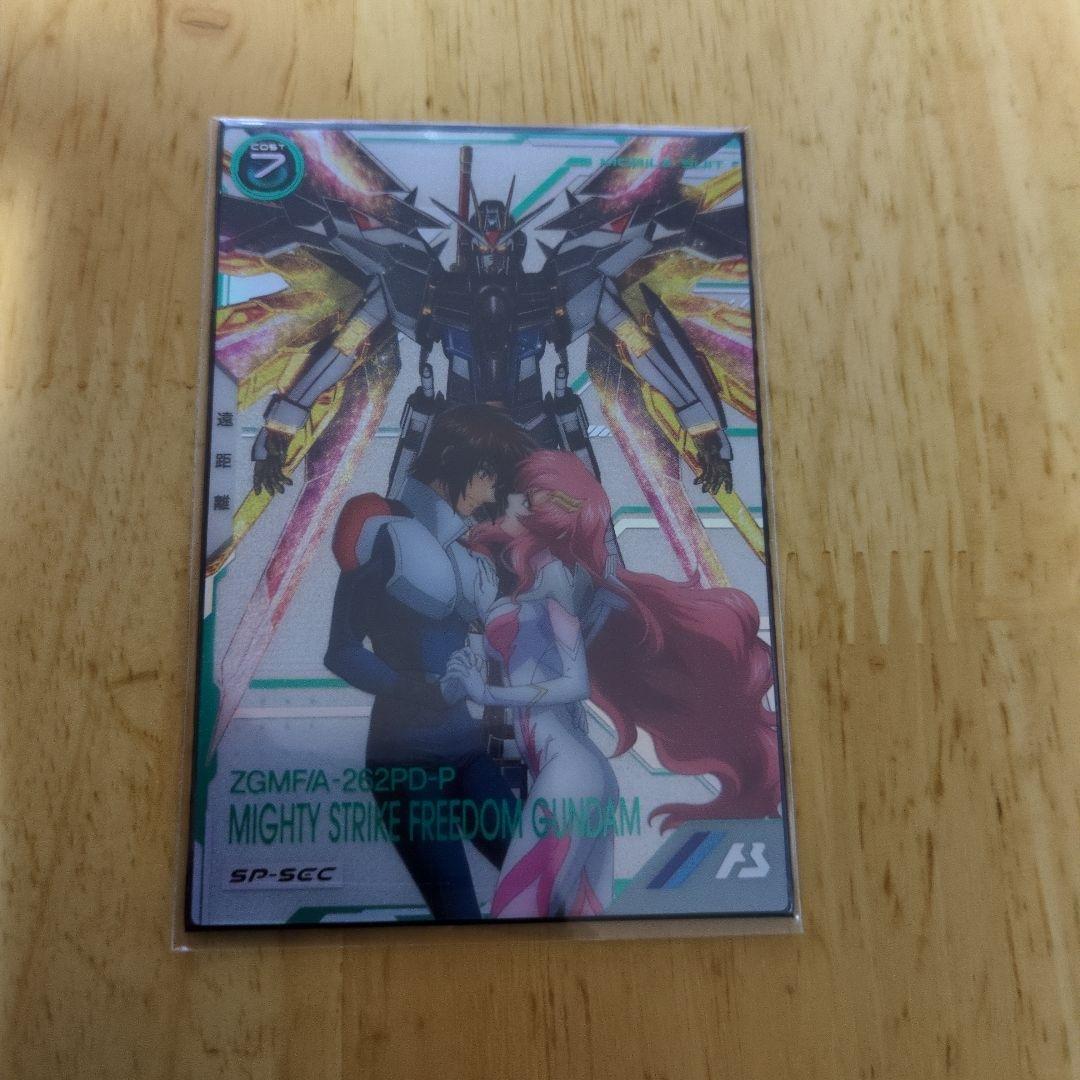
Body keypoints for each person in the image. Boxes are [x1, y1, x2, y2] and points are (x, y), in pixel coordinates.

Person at [444, 450, 781, 919]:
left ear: (548, 509)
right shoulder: (538, 578)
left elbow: (574, 683)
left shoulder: (557, 577)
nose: (509, 504)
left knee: (515, 915)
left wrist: (487, 693)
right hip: (575, 774)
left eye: (521, 497)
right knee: (579, 922)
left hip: (570, 776)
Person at [323, 404, 535, 920]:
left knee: (537, 887)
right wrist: (425, 690)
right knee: (457, 916)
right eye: (487, 474)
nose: (491, 490)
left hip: (466, 750)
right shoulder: (386, 535)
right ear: (455, 463)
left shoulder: (464, 552)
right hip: (405, 762)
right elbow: (343, 650)